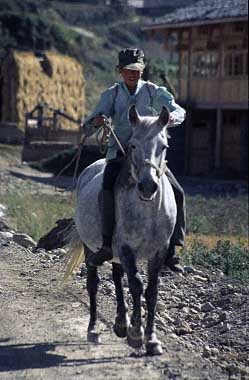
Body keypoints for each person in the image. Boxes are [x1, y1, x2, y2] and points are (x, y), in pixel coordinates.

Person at [83, 48, 186, 273]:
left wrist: (169, 119)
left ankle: (172, 250)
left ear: (142, 70)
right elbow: (87, 127)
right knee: (107, 187)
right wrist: (97, 121)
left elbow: (179, 111)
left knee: (177, 192)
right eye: (129, 70)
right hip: (120, 155)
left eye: (137, 70)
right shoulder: (111, 95)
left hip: (148, 157)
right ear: (120, 71)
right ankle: (106, 244)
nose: (133, 74)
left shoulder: (154, 91)